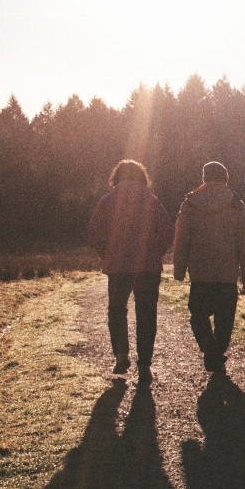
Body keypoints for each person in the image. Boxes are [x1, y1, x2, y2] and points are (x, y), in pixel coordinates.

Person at [87, 160, 174, 380]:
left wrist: (105, 255)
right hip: (147, 266)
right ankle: (144, 362)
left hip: (117, 265)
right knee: (146, 313)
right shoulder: (152, 201)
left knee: (116, 310)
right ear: (142, 177)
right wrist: (157, 252)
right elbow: (166, 231)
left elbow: (94, 232)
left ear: (117, 177)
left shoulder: (108, 201)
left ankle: (120, 355)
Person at [173, 162, 245, 374]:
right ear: (226, 177)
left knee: (198, 315)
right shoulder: (236, 204)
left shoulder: (190, 203)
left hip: (200, 273)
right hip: (227, 274)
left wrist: (179, 269)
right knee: (225, 320)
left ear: (204, 178)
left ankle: (210, 349)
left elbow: (181, 239)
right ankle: (216, 351)